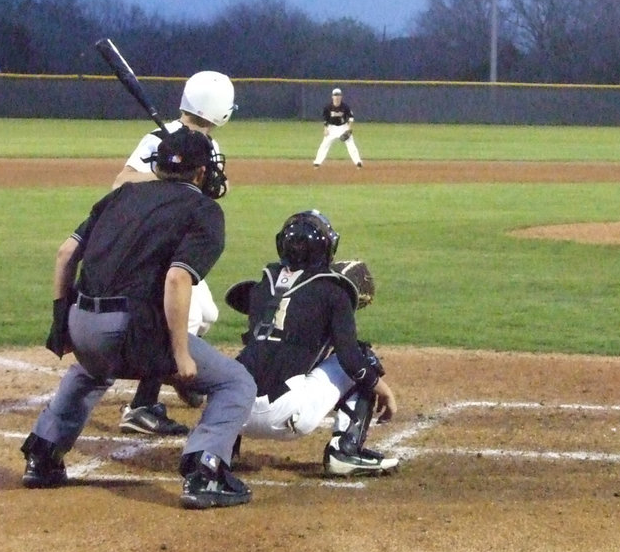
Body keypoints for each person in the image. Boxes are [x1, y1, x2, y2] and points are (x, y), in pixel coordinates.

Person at [21, 125, 258, 510]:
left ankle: (43, 455)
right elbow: (177, 278)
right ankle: (205, 472)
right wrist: (180, 353)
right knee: (236, 383)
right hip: (132, 333)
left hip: (83, 325)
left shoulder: (121, 195)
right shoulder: (204, 210)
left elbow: (66, 254)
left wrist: (61, 325)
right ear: (201, 173)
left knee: (90, 369)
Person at [225, 211, 398, 476]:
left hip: (233, 414)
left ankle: (222, 449)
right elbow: (351, 360)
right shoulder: (334, 292)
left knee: (248, 356)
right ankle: (345, 452)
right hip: (288, 415)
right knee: (364, 357)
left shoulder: (260, 287)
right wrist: (381, 387)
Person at [112, 71, 237, 436]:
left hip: (179, 246)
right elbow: (120, 182)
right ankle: (142, 405)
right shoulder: (156, 139)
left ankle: (174, 372)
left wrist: (216, 184)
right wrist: (168, 175)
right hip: (154, 250)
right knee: (186, 320)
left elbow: (211, 189)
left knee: (207, 313)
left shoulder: (208, 147)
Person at [313, 87, 363, 168]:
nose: (337, 97)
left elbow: (351, 118)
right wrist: (325, 129)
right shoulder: (328, 107)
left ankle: (358, 162)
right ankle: (317, 162)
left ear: (341, 97)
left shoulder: (345, 107)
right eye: (335, 95)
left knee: (351, 144)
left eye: (338, 95)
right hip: (331, 128)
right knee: (324, 145)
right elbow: (325, 119)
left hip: (343, 127)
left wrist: (349, 128)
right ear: (332, 97)